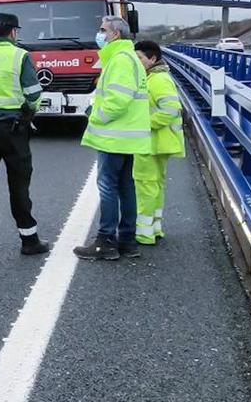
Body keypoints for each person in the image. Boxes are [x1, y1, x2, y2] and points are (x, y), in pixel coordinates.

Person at [0, 13, 51, 256]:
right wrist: (29, 111)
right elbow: (34, 94)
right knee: (18, 184)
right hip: (13, 127)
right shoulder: (20, 56)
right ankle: (29, 240)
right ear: (13, 32)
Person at [74, 16, 153, 261]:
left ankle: (105, 241)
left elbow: (118, 99)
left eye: (103, 30)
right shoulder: (130, 58)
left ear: (116, 34)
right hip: (128, 136)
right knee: (126, 187)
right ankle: (127, 241)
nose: (100, 35)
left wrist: (95, 116)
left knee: (108, 187)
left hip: (115, 136)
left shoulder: (119, 60)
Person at [132, 41, 185, 245]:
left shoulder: (158, 80)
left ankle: (144, 233)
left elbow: (170, 110)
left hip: (151, 142)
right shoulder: (156, 77)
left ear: (152, 59)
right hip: (159, 142)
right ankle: (154, 227)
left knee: (145, 186)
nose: (137, 62)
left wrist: (142, 124)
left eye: (140, 58)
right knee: (156, 186)